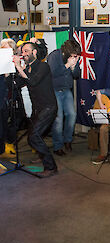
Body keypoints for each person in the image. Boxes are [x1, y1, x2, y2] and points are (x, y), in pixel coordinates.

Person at [13, 42, 58, 178]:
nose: (24, 54)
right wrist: (11, 72)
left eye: (26, 51)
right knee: (32, 138)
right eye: (22, 52)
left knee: (34, 136)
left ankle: (51, 167)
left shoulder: (43, 66)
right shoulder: (28, 69)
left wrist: (19, 67)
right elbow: (18, 84)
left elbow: (32, 81)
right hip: (37, 109)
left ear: (34, 53)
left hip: (48, 107)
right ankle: (43, 157)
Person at [47, 39, 81, 156]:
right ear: (66, 52)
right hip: (55, 90)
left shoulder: (74, 57)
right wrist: (67, 65)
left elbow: (77, 75)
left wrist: (74, 67)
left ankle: (68, 140)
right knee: (58, 119)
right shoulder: (54, 56)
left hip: (66, 90)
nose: (74, 57)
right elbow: (51, 73)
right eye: (73, 55)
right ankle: (58, 146)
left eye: (76, 55)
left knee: (72, 115)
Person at [0, 38, 18, 158]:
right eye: (2, 48)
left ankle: (2, 150)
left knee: (4, 126)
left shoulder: (14, 65)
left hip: (7, 101)